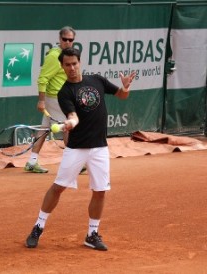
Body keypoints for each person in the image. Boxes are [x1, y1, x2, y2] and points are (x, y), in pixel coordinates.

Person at [25, 47, 136, 250]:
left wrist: (126, 87)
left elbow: (121, 95)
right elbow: (73, 116)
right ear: (62, 66)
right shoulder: (64, 92)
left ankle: (92, 234)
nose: (72, 68)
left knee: (100, 191)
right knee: (58, 187)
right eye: (67, 65)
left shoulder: (97, 80)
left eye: (74, 63)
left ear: (80, 62)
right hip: (77, 148)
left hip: (100, 147)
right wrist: (70, 122)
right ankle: (38, 227)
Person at [24, 26, 76, 173]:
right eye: (64, 39)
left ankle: (32, 162)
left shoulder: (66, 55)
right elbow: (42, 79)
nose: (67, 42)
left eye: (70, 40)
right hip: (56, 98)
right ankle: (73, 163)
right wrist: (41, 101)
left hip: (60, 97)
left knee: (44, 129)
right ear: (60, 39)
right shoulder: (54, 56)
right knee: (69, 127)